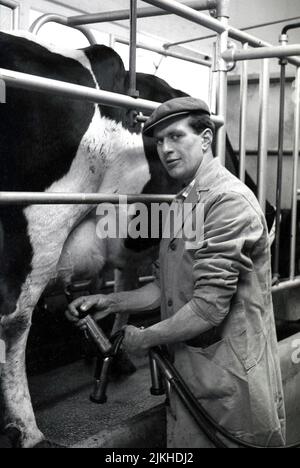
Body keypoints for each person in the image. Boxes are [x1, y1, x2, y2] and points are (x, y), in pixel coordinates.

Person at [66, 97, 286, 448]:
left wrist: (145, 337)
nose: (166, 149)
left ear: (205, 138)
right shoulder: (185, 201)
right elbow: (162, 286)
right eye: (159, 141)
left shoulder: (227, 202)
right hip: (194, 376)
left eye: (176, 136)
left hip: (230, 382)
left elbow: (208, 307)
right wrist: (111, 300)